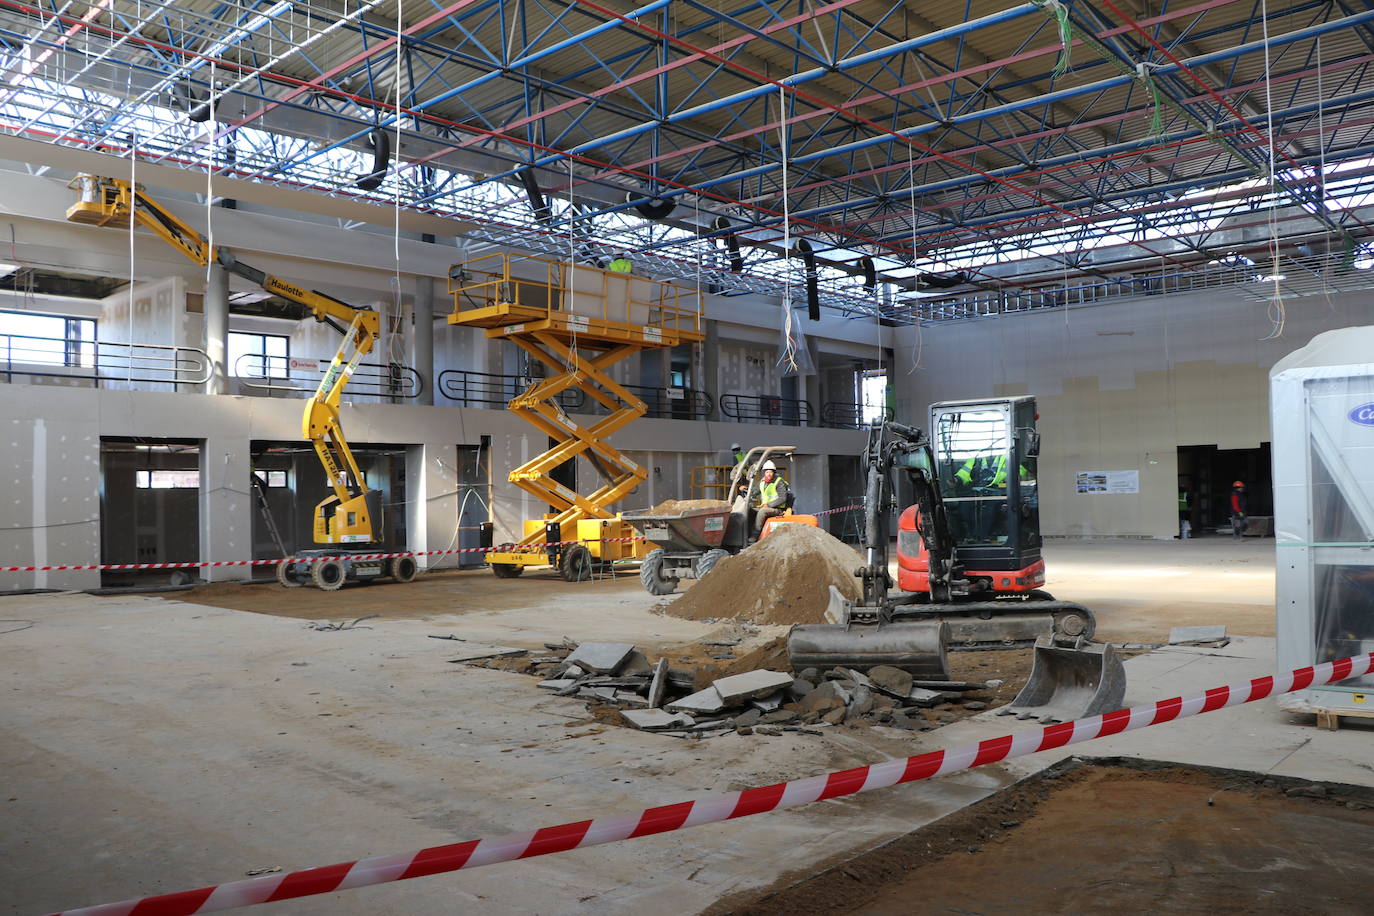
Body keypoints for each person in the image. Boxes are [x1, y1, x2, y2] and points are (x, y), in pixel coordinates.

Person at [753, 460, 792, 535]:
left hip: (778, 509)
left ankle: (755, 534)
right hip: (766, 507)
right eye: (767, 472)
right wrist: (746, 490)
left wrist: (769, 505)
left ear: (774, 472)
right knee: (750, 510)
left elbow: (782, 498)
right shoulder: (762, 482)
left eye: (770, 472)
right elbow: (754, 491)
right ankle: (747, 533)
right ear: (764, 472)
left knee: (762, 512)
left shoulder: (779, 482)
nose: (769, 474)